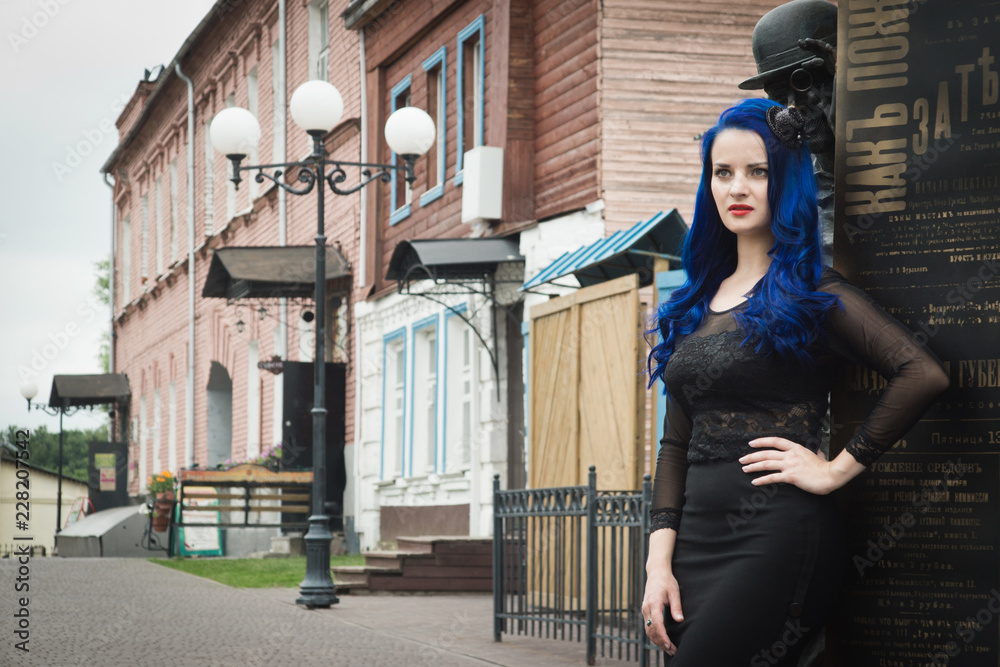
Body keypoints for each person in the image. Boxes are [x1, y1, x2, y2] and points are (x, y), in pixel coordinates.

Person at [640, 98, 949, 665]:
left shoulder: (813, 292)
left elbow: (921, 372)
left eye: (757, 171)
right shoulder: (692, 302)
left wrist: (835, 470)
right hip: (695, 547)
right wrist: (658, 564)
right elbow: (675, 444)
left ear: (785, 181)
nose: (738, 187)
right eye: (723, 171)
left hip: (777, 537)